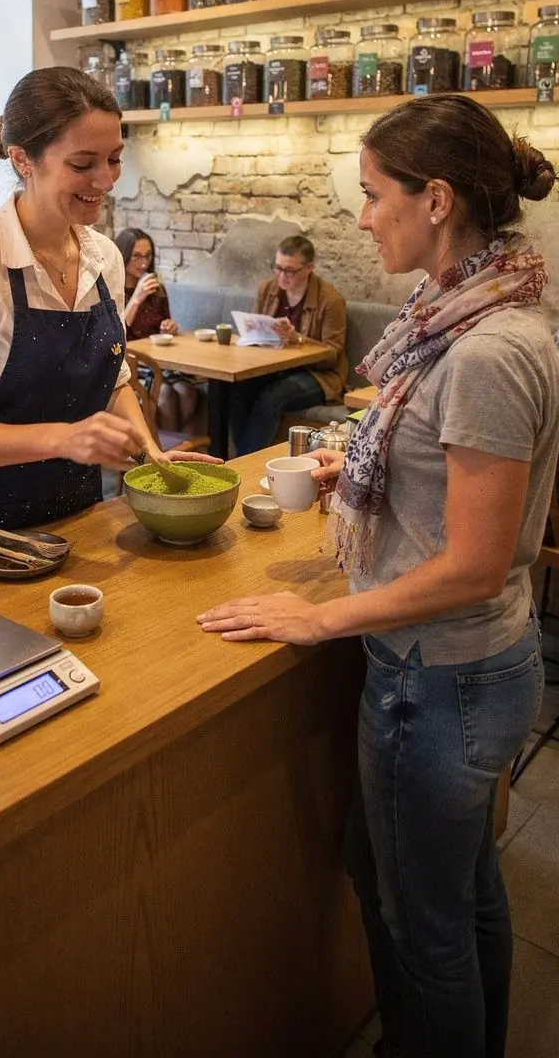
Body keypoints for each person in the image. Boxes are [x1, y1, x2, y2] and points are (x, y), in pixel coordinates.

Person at [198, 95, 559, 1058]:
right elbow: (452, 474)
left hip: (437, 680)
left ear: (435, 199)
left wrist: (320, 619)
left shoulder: (485, 349)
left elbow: (474, 564)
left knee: (419, 926)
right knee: (466, 895)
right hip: (476, 667)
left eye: (372, 194)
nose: (362, 218)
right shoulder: (475, 311)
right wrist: (361, 460)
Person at [0, 68, 218, 561]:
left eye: (114, 159)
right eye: (83, 163)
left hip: (74, 517)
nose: (105, 180)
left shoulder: (104, 258)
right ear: (22, 160)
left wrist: (150, 454)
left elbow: (112, 378)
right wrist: (65, 438)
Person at [230, 235, 348, 455]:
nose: (282, 276)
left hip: (318, 376)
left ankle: (243, 460)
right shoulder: (267, 289)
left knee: (272, 397)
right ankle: (237, 456)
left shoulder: (330, 300)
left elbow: (334, 355)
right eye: (278, 268)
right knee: (236, 388)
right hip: (273, 368)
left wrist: (298, 339)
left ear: (310, 267)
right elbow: (255, 333)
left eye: (290, 271)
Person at [115, 227, 198, 432]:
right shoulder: (113, 288)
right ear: (123, 256)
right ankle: (165, 449)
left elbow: (163, 325)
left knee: (187, 392)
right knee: (166, 394)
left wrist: (168, 327)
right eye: (136, 256)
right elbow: (117, 332)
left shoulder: (156, 288)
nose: (143, 263)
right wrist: (137, 298)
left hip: (159, 363)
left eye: (148, 256)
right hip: (131, 365)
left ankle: (166, 443)